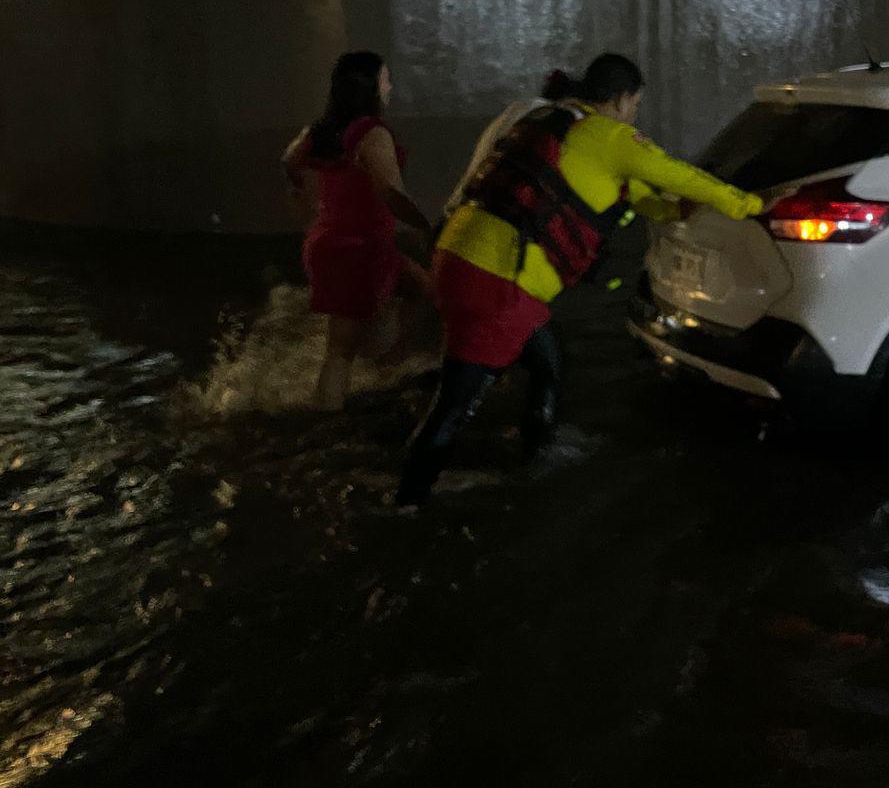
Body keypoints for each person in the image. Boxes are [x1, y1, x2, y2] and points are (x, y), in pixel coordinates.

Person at [396, 53, 764, 505]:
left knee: (547, 363)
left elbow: (626, 193)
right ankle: (406, 504)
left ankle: (535, 460)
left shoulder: (553, 120)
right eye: (635, 104)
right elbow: (679, 174)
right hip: (498, 280)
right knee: (454, 405)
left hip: (457, 255)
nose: (634, 114)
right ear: (622, 98)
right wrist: (747, 205)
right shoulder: (611, 136)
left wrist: (670, 212)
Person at [282, 51, 433, 410]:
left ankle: (386, 363)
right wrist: (425, 225)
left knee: (424, 288)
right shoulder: (372, 132)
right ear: (369, 88)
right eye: (385, 79)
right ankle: (326, 418)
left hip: (332, 242)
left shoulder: (319, 132)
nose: (390, 86)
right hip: (358, 248)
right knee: (340, 350)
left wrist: (304, 197)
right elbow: (391, 191)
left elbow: (289, 162)